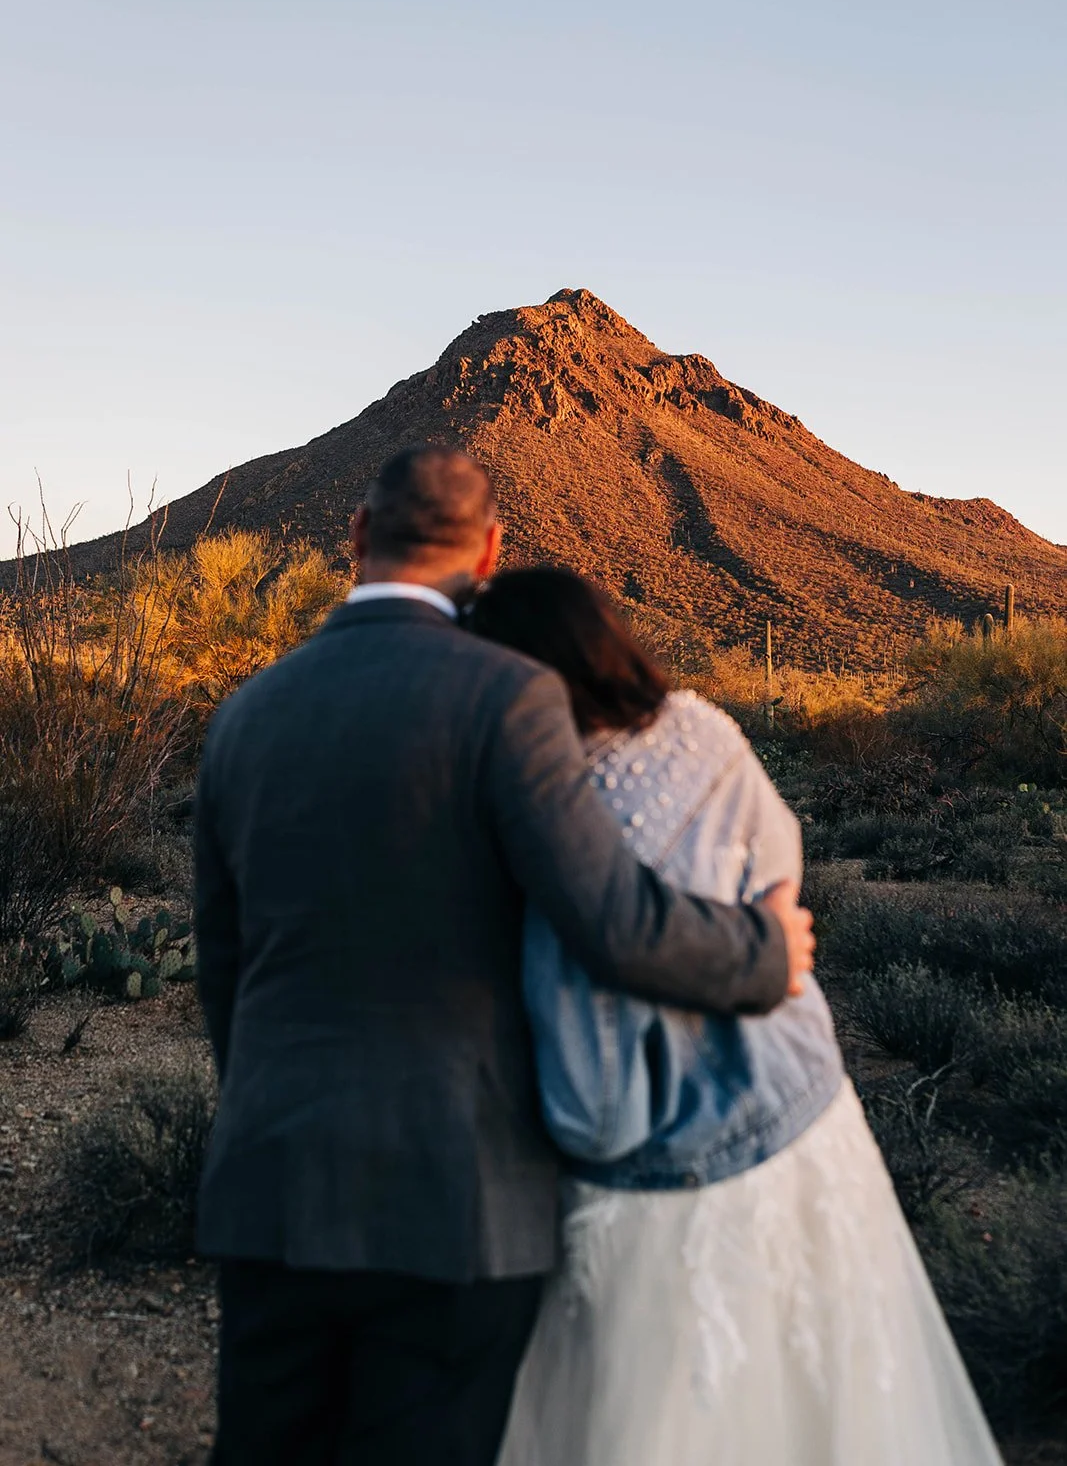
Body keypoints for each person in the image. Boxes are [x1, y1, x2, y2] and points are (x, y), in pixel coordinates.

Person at [194, 446, 815, 1466]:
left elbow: (224, 967)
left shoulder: (245, 713)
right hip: (457, 1196)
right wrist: (761, 950)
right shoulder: (508, 696)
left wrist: (269, 1110)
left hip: (273, 1177)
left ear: (355, 535)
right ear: (490, 551)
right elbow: (611, 919)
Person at [468, 566, 1004, 1466]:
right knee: (837, 1387)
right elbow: (781, 883)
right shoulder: (704, 728)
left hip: (648, 1153)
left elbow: (564, 1041)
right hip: (795, 1103)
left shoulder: (544, 810)